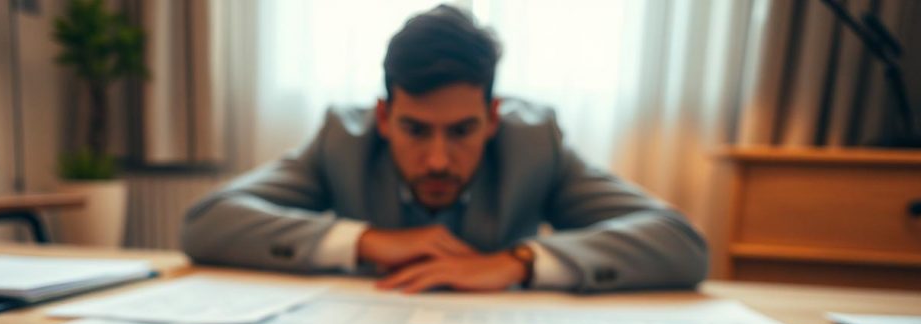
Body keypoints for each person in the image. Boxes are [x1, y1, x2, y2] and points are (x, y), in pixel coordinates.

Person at [182, 5, 708, 294]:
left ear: (493, 118)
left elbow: (680, 241)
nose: (437, 160)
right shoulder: (343, 139)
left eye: (461, 131)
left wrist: (517, 262)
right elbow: (207, 221)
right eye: (415, 130)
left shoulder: (533, 143)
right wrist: (367, 240)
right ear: (383, 118)